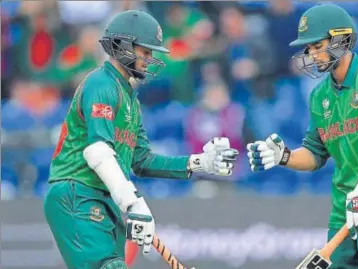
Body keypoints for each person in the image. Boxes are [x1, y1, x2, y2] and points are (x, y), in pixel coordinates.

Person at [43, 10, 239, 269]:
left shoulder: (130, 99)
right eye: (145, 51)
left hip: (103, 198)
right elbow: (97, 152)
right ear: (123, 46)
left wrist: (198, 163)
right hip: (77, 192)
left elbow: (142, 160)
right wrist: (133, 201)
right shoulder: (101, 84)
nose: (150, 58)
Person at [246, 4, 358, 269]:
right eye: (309, 49)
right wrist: (284, 156)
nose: (312, 55)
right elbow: (315, 153)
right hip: (343, 210)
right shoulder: (319, 95)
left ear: (342, 39)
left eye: (317, 46)